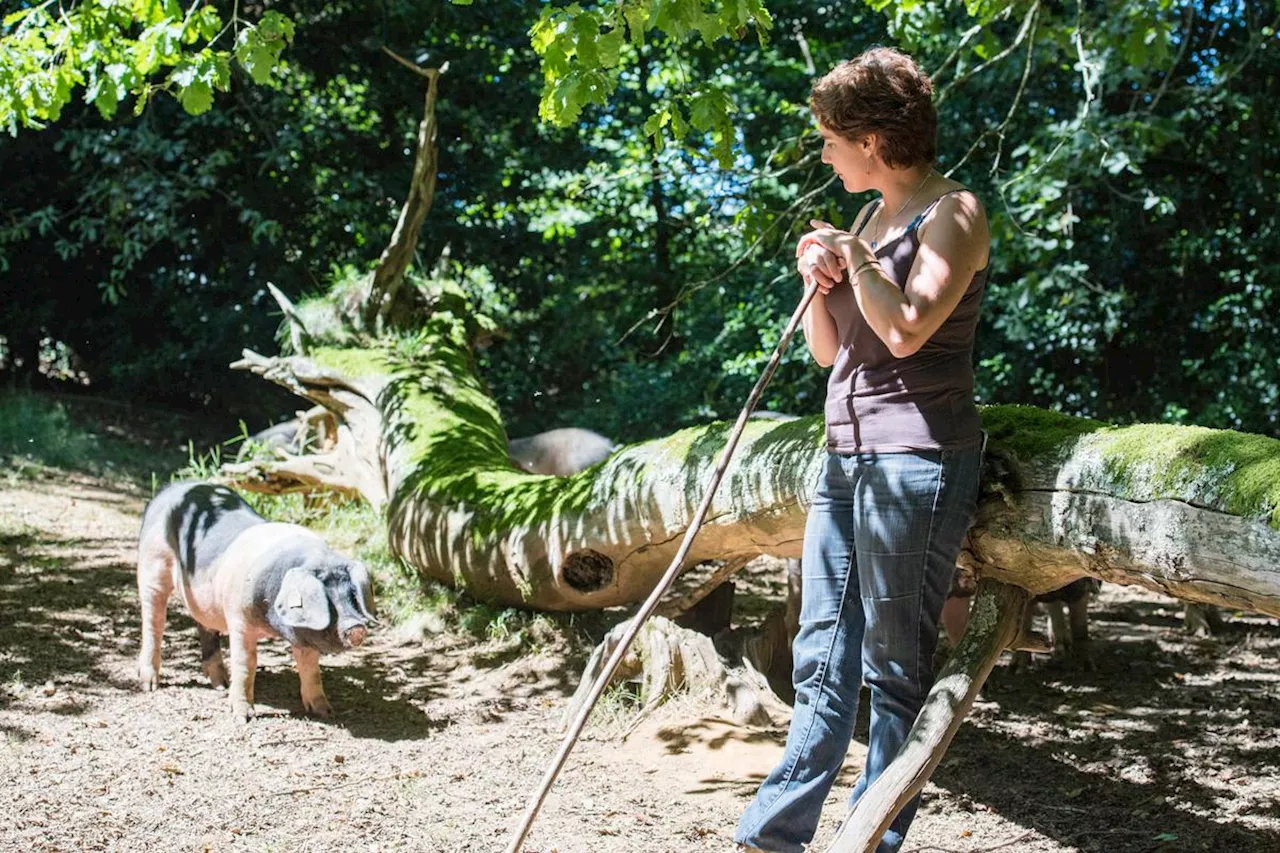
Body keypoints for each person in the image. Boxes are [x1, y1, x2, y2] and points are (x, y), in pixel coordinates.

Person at [734, 46, 990, 853]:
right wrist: (817, 277)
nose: (822, 153)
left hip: (916, 458)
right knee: (819, 652)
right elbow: (827, 349)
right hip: (843, 456)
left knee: (892, 666)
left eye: (829, 139)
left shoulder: (954, 212)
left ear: (872, 140)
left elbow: (908, 331)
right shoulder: (868, 219)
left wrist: (861, 262)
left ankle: (870, 839)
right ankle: (774, 835)